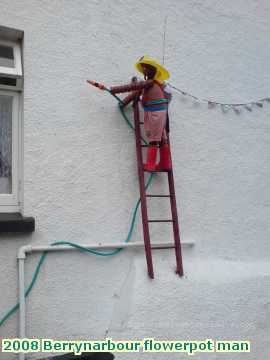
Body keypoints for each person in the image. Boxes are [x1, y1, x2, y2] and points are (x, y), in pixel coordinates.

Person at [110, 55, 172, 171]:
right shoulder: (151, 84)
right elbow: (136, 92)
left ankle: (150, 164)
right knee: (161, 137)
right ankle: (165, 163)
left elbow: (135, 87)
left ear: (150, 70)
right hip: (159, 112)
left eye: (145, 67)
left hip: (155, 113)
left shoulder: (150, 82)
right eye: (143, 67)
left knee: (154, 139)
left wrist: (114, 89)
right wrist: (124, 102)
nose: (143, 69)